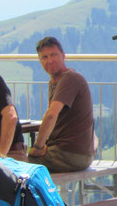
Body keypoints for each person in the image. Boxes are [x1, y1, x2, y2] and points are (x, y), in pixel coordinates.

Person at [27, 37, 95, 172]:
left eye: (53, 55)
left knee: (16, 165)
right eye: (44, 57)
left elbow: (51, 115)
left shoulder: (69, 78)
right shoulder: (55, 82)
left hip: (69, 154)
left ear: (63, 56)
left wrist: (38, 148)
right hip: (74, 153)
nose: (49, 60)